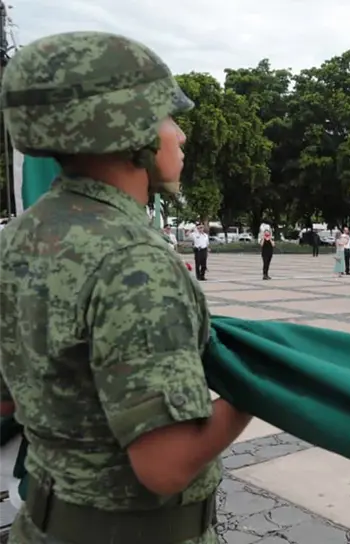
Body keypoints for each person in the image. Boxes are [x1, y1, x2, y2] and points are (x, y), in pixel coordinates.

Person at [0, 30, 252, 543]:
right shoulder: (133, 262)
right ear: (127, 128)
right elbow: (165, 465)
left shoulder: (21, 236)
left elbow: (7, 399)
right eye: (165, 117)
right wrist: (258, 387)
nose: (179, 134)